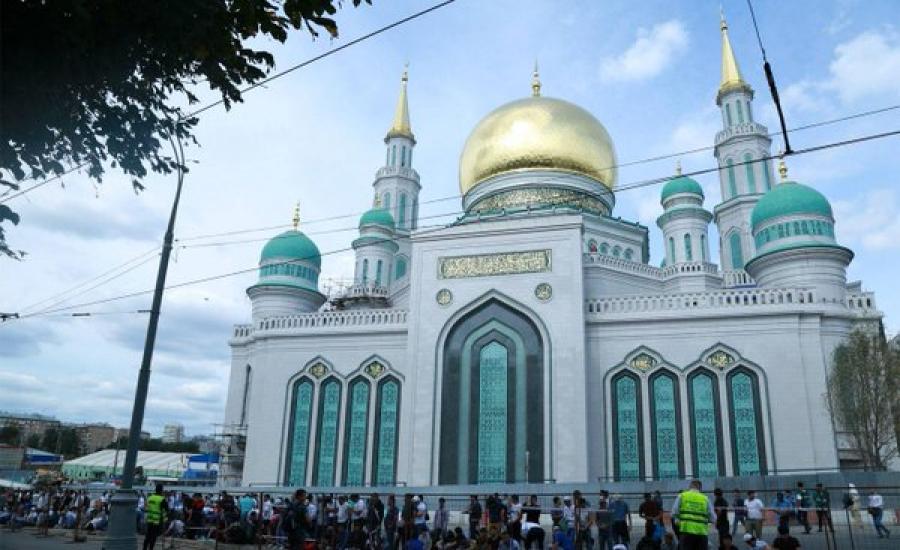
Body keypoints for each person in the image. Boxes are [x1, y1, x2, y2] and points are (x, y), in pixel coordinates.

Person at [671, 480, 715, 550]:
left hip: (686, 532)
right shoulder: (705, 498)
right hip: (701, 533)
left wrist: (678, 520)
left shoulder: (682, 496)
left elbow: (674, 512)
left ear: (690, 487)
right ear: (700, 488)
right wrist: (707, 521)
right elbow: (713, 518)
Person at [143, 484, 169, 550]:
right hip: (157, 521)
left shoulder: (150, 497)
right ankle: (151, 548)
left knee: (148, 536)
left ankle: (144, 548)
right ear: (162, 491)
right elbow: (167, 509)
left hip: (149, 519)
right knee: (153, 536)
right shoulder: (162, 499)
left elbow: (146, 507)